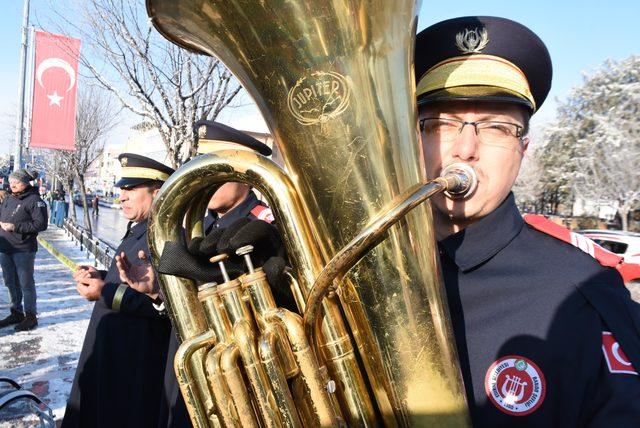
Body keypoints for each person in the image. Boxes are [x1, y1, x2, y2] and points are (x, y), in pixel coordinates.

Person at [414, 16, 640, 425]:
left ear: (523, 150)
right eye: (441, 124)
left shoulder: (585, 297)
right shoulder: (349, 270)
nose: (465, 149)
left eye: (496, 127)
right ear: (413, 139)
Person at [62, 154, 175, 428]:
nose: (122, 196)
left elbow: (164, 304)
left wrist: (104, 292)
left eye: (131, 189)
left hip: (133, 361)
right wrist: (100, 276)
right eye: (122, 189)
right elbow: (128, 277)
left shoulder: (165, 236)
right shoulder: (141, 227)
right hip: (114, 351)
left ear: (157, 193)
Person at [0, 168, 48, 331]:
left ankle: (30, 316)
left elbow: (41, 224)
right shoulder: (8, 198)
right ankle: (16, 312)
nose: (12, 184)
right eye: (11, 181)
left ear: (25, 183)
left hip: (23, 249)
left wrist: (15, 227)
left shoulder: (35, 200)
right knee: (9, 281)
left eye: (16, 182)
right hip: (5, 247)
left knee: (26, 283)